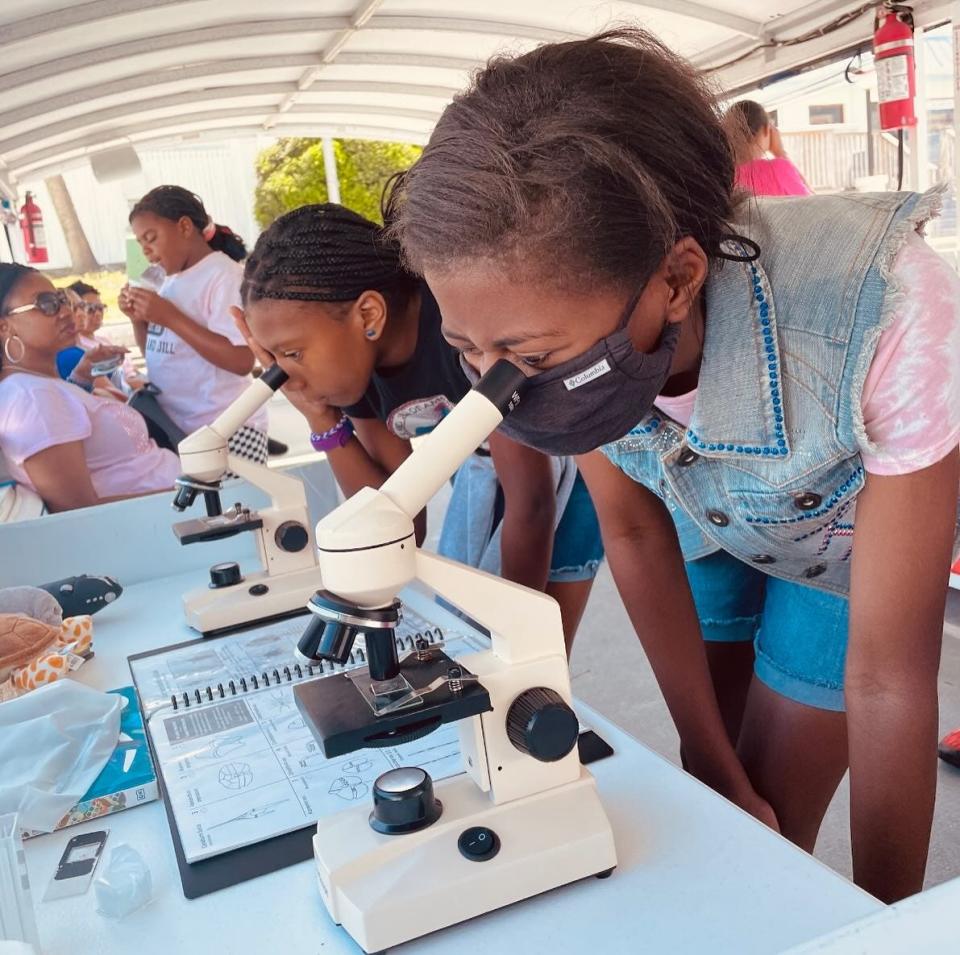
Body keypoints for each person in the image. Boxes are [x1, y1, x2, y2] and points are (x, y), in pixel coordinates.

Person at [387, 29, 960, 903]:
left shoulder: (889, 314)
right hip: (705, 518)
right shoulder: (561, 327)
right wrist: (701, 751)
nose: (505, 387)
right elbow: (631, 530)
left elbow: (888, 677)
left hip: (844, 544)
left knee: (773, 808)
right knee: (718, 793)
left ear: (678, 278)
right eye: (469, 349)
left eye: (530, 355)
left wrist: (892, 924)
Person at [234, 203, 604, 649]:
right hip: (488, 473)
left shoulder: (459, 326)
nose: (287, 377)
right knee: (466, 633)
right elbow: (396, 519)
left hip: (564, 469)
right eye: (274, 361)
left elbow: (532, 501)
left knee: (532, 652)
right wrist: (321, 417)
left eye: (292, 355)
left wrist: (509, 638)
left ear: (368, 315)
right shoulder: (359, 372)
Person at [0, 264, 179, 511]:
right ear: (4, 327)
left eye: (62, 299)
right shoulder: (31, 398)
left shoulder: (38, 386)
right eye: (46, 304)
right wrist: (188, 498)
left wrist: (81, 378)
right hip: (172, 520)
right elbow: (80, 511)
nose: (65, 311)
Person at [118, 186, 267, 461]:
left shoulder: (223, 275)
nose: (146, 250)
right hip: (182, 428)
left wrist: (170, 316)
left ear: (185, 226)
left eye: (151, 238)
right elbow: (157, 352)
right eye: (140, 243)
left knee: (236, 505)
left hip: (227, 427)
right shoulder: (167, 281)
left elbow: (242, 360)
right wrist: (138, 320)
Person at [726, 99, 812, 197]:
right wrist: (780, 153)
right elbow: (813, 204)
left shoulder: (722, 177)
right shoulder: (778, 170)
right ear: (767, 130)